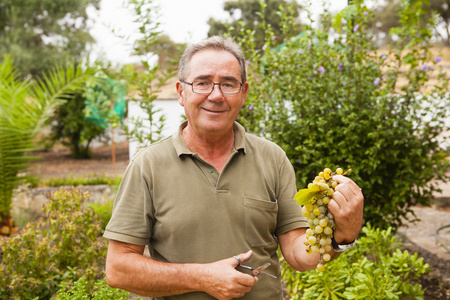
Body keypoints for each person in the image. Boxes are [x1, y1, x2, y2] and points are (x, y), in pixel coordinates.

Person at [104, 36, 364, 300]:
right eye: (202, 83)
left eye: (228, 84)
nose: (216, 95)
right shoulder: (147, 166)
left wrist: (342, 235)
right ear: (181, 93)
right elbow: (118, 269)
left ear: (243, 93)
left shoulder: (272, 158)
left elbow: (299, 255)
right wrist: (201, 278)